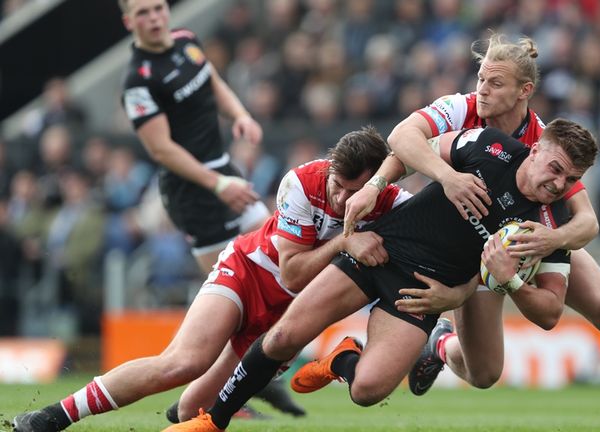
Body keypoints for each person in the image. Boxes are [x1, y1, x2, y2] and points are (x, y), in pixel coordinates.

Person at [343, 34, 600, 431]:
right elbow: (403, 144)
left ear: (523, 91)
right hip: (463, 239)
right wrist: (379, 187)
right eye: (482, 79)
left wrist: (552, 240)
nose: (482, 89)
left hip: (522, 238)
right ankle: (441, 345)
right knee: (484, 373)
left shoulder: (546, 145)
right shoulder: (461, 109)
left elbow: (587, 222)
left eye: (494, 83)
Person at [164, 118, 597, 432]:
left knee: (367, 391)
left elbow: (550, 313)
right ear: (536, 149)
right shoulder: (490, 146)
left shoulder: (552, 226)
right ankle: (212, 423)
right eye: (555, 168)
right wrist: (404, 182)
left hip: (422, 292)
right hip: (381, 250)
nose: (558, 184)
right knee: (283, 338)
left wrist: (500, 283)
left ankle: (342, 360)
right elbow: (408, 148)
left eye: (571, 178)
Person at [11, 126, 409, 432]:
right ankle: (51, 418)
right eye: (338, 185)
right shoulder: (302, 181)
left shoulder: (393, 205)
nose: (342, 200)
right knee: (183, 362)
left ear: (379, 185)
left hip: (289, 318)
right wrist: (347, 240)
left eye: (356, 192)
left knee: (191, 411)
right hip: (249, 274)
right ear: (331, 168)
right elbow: (292, 271)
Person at [117, 0, 298, 417]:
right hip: (195, 193)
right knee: (232, 303)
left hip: (224, 174)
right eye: (143, 13)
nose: (155, 17)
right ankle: (213, 400)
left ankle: (247, 380)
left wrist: (239, 113)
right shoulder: (138, 81)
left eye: (159, 8)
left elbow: (211, 78)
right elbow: (161, 149)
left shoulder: (186, 42)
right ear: (129, 22)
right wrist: (218, 185)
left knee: (285, 255)